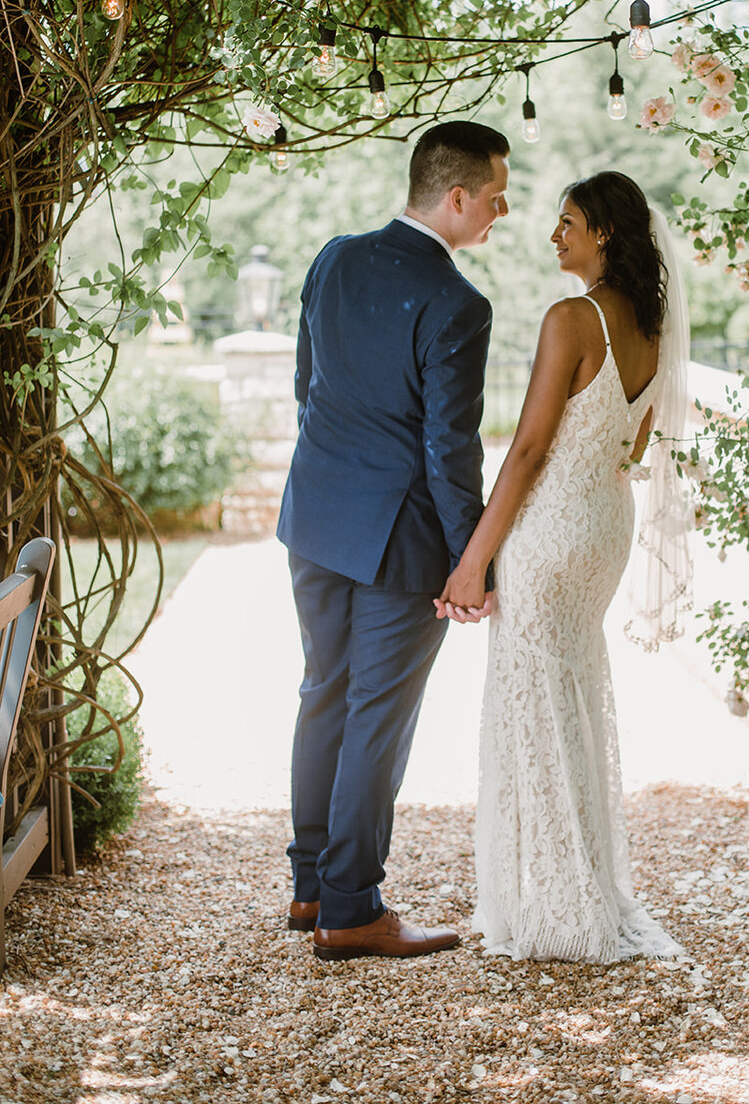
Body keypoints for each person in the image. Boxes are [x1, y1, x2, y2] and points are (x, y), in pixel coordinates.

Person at [435, 171, 692, 963]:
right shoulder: (649, 325)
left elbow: (530, 450)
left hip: (549, 533)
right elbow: (635, 446)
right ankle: (578, 878)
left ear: (605, 234)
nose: (556, 236)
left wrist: (472, 560)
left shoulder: (572, 319)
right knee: (569, 692)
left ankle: (557, 899)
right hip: (605, 526)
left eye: (569, 223)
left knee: (531, 700)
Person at [277, 120, 510, 962]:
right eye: (495, 197)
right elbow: (451, 449)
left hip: (313, 519)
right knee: (377, 715)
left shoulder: (333, 257)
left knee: (323, 695)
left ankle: (310, 887)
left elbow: (307, 384)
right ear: (456, 199)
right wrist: (468, 562)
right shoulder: (459, 304)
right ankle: (350, 906)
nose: (502, 211)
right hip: (400, 543)